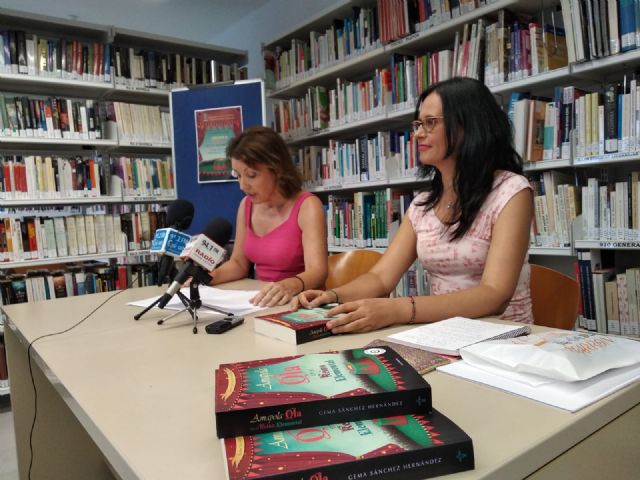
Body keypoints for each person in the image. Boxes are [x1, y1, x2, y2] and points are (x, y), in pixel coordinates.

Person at [296, 77, 534, 332]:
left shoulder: (511, 191)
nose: (418, 133)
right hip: (443, 335)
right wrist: (332, 296)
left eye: (430, 123)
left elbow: (495, 294)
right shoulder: (422, 205)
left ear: (469, 126)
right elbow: (380, 277)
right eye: (418, 124)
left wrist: (398, 309)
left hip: (505, 340)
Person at [209, 126, 328, 307]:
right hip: (261, 302)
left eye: (251, 175)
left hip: (302, 304)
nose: (242, 185)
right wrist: (207, 277)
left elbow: (318, 271)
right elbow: (239, 264)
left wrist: (289, 285)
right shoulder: (246, 205)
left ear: (277, 169)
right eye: (238, 176)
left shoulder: (308, 206)